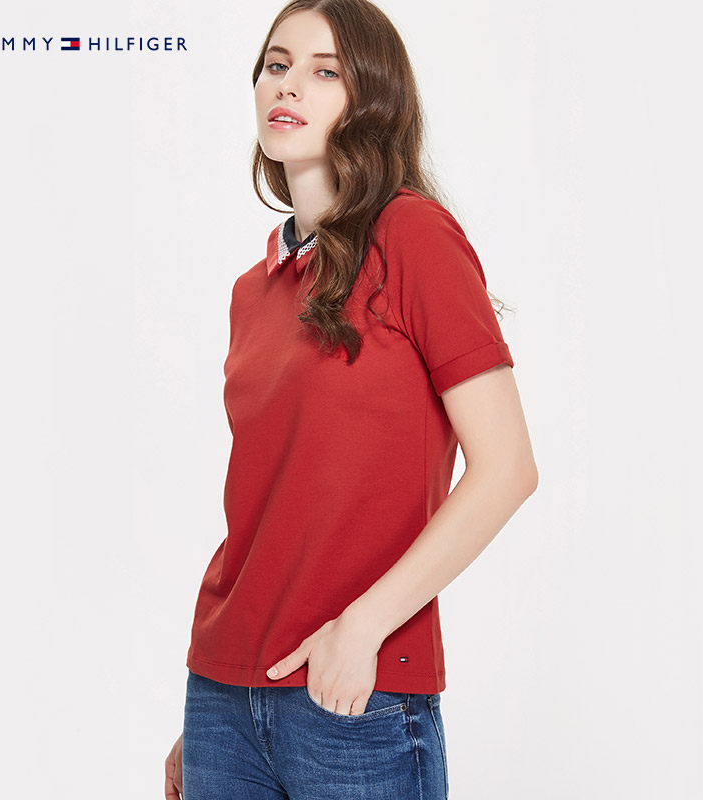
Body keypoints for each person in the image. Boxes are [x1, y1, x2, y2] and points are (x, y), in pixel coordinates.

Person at [165, 1, 538, 797]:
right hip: (224, 695)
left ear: (370, 98)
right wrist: (211, 715)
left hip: (353, 693)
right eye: (276, 65)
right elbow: (273, 507)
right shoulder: (253, 290)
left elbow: (507, 468)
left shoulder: (413, 237)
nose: (288, 85)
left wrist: (361, 628)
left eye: (324, 71)